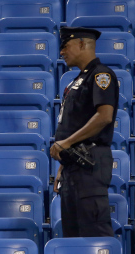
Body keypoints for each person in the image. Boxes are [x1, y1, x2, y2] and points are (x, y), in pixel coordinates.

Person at [50, 27, 119, 238]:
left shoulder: (101, 75)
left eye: (65, 45)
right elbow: (74, 123)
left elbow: (105, 116)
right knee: (73, 233)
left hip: (90, 162)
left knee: (94, 231)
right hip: (74, 163)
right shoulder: (76, 81)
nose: (62, 51)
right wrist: (63, 164)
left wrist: (66, 143)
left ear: (82, 44)